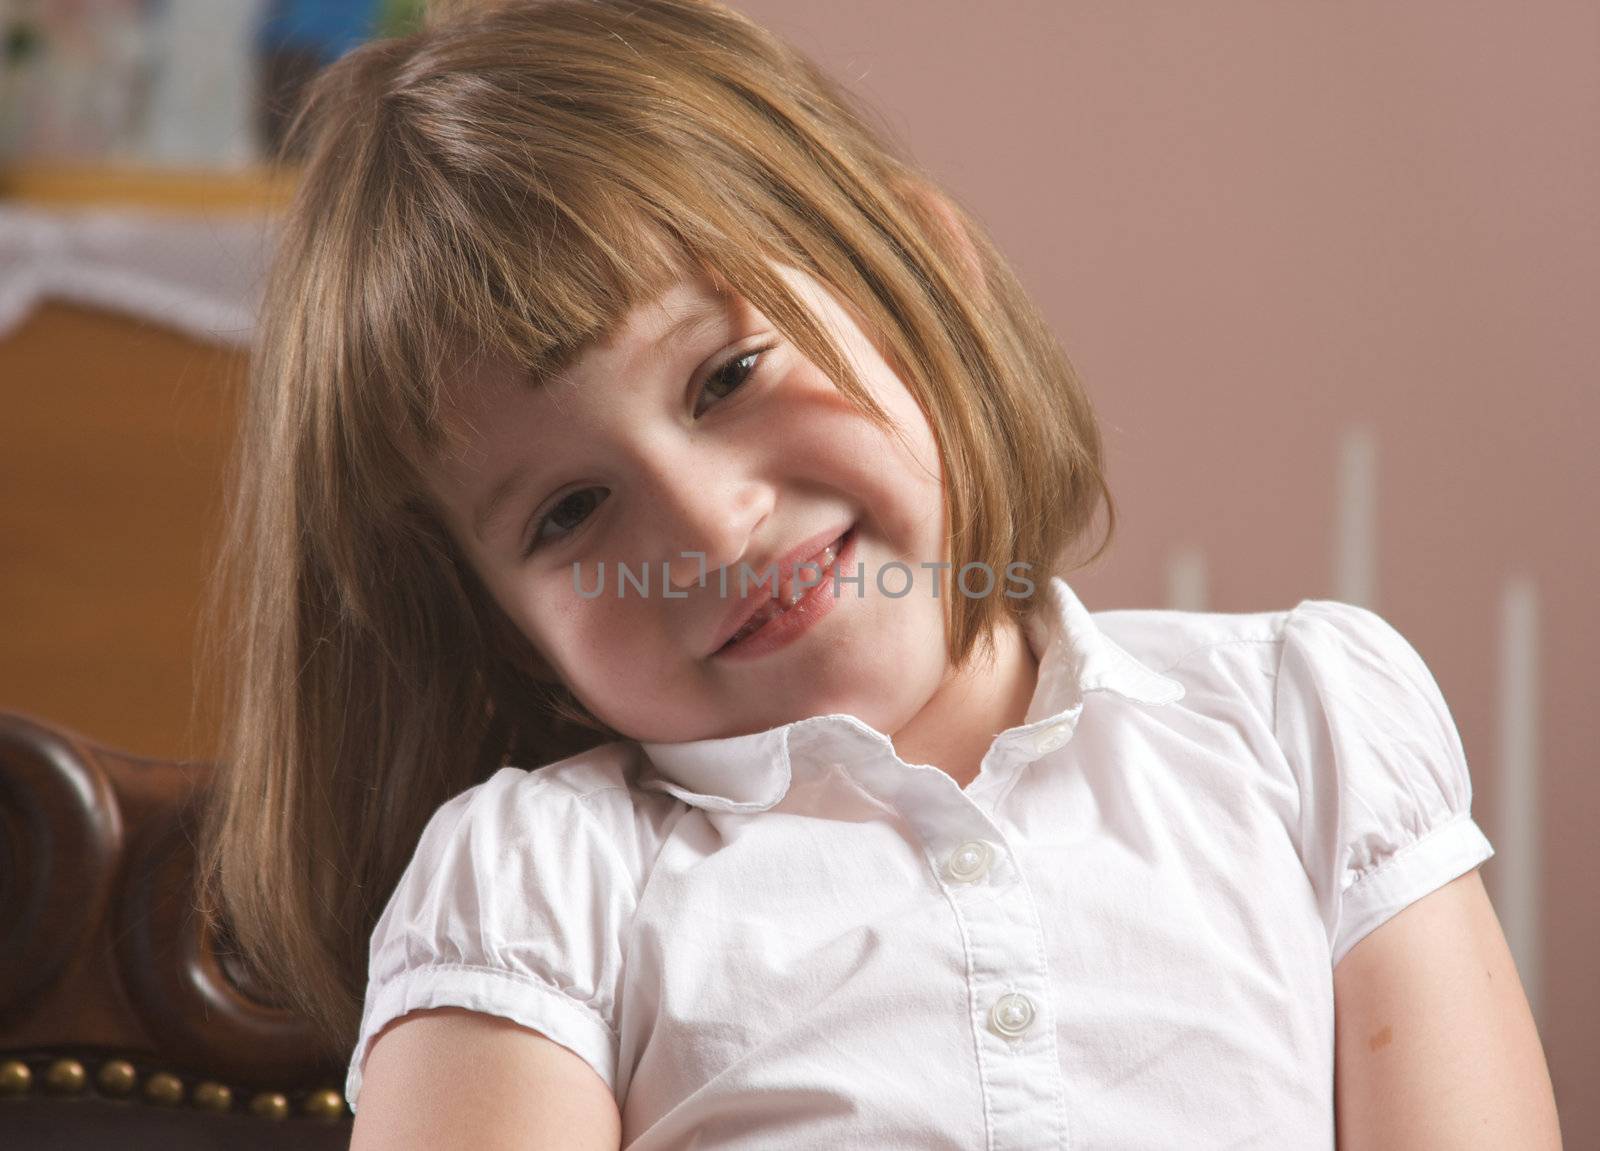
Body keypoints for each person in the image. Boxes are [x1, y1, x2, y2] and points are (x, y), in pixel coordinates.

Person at [191, 1, 1563, 1147]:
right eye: (566, 511)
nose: (711, 528)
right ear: (487, 617)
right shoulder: (541, 888)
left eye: (729, 374)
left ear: (929, 277)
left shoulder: (1300, 731)